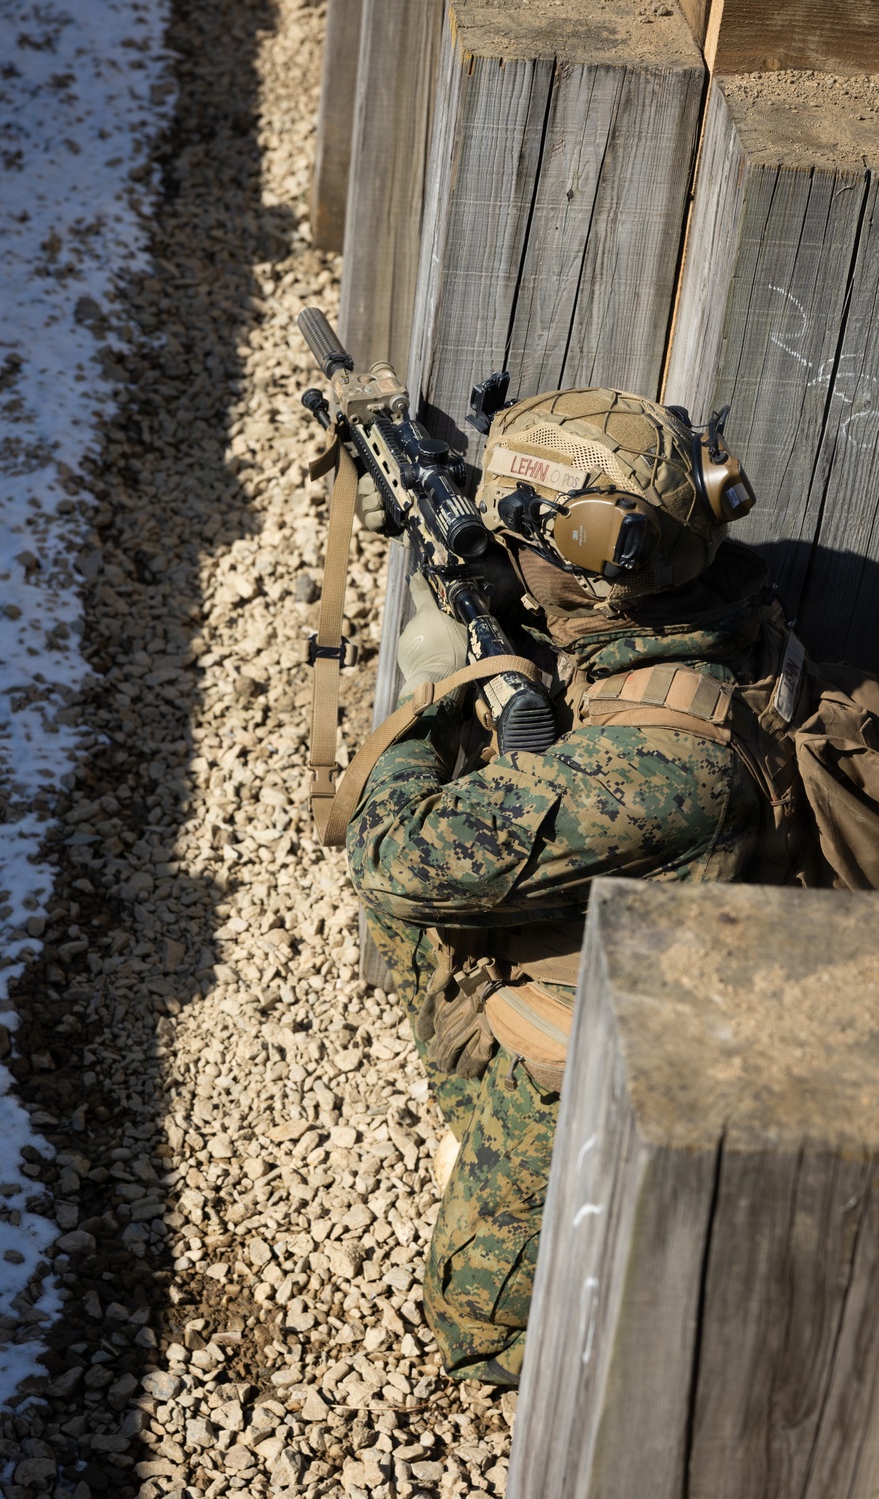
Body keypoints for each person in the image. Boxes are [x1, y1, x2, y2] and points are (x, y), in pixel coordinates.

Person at [344, 386, 797, 1387]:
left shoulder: (657, 770)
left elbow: (393, 854)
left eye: (522, 537)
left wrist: (429, 693)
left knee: (475, 1327)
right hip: (690, 948)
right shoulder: (712, 606)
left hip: (638, 1064)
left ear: (580, 558)